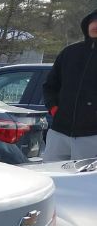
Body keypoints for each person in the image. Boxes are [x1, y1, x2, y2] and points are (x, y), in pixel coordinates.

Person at [42, 9, 97, 161]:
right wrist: (54, 108)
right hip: (59, 133)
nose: (95, 25)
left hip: (92, 137)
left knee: (83, 183)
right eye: (93, 21)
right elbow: (49, 86)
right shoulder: (69, 53)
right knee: (52, 177)